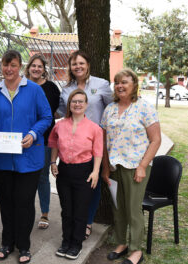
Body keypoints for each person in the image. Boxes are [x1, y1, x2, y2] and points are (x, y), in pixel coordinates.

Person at [0, 50, 52, 264]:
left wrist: (33, 134)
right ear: (1, 66)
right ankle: (7, 243)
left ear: (19, 66)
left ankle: (24, 245)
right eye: (5, 64)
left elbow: (46, 116)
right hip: (4, 159)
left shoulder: (33, 90)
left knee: (24, 203)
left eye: (13, 65)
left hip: (29, 159)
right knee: (5, 202)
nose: (8, 69)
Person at [101, 69, 161, 264]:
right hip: (114, 166)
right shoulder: (109, 109)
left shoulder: (145, 108)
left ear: (134, 84)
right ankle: (121, 242)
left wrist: (143, 165)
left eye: (124, 82)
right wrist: (105, 167)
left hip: (136, 167)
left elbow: (156, 140)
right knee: (118, 207)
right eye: (117, 82)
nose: (120, 86)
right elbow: (104, 141)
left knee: (133, 209)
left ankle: (136, 250)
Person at [56, 50, 113, 239]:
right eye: (74, 64)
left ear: (87, 64)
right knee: (75, 186)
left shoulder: (101, 85)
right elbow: (63, 112)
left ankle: (87, 221)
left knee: (93, 183)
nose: (78, 67)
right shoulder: (66, 89)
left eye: (81, 63)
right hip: (74, 144)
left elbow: (112, 108)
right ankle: (75, 221)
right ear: (70, 67)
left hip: (96, 141)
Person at [48, 89, 103, 260]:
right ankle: (66, 241)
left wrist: (95, 172)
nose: (77, 104)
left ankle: (76, 244)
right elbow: (54, 142)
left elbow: (98, 152)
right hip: (65, 171)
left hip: (85, 172)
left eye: (81, 101)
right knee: (67, 210)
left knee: (80, 210)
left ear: (86, 105)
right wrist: (52, 162)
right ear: (69, 104)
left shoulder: (94, 128)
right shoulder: (60, 125)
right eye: (74, 101)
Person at [24, 54, 60, 230]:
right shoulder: (21, 85)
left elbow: (53, 113)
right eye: (33, 66)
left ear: (44, 69)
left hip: (44, 139)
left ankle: (44, 212)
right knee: (25, 176)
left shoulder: (52, 88)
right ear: (28, 67)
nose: (36, 69)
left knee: (42, 177)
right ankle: (26, 210)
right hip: (23, 140)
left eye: (40, 66)